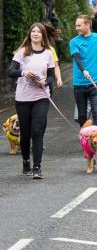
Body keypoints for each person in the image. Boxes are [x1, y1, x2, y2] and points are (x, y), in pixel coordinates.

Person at [8, 23, 55, 179]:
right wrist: (24, 72)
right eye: (33, 31)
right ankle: (26, 161)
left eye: (38, 31)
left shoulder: (48, 53)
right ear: (29, 34)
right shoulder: (23, 52)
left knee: (37, 131)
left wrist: (45, 82)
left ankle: (37, 167)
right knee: (25, 133)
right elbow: (11, 71)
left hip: (41, 96)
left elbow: (51, 76)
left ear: (43, 35)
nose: (35, 33)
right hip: (23, 97)